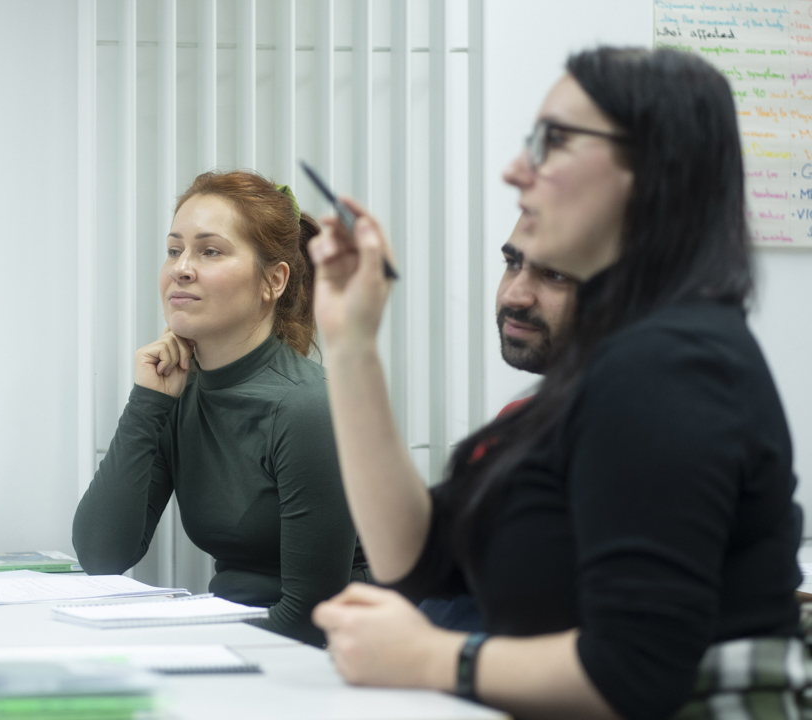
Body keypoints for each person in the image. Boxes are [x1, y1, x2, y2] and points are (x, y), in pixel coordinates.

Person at [307, 46, 804, 719]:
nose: (517, 171)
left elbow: (634, 670)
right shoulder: (595, 373)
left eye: (554, 143)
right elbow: (415, 555)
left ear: (656, 168)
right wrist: (350, 340)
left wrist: (429, 657)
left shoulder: (671, 367)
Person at [72, 170, 367, 647]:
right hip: (239, 639)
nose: (181, 269)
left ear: (273, 281)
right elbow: (101, 555)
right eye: (174, 249)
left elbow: (312, 618)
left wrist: (178, 646)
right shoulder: (179, 390)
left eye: (210, 251)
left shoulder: (310, 407)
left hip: (322, 661)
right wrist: (147, 403)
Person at [420, 220, 577, 632]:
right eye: (512, 263)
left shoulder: (639, 430)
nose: (513, 294)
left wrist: (429, 657)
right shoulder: (520, 417)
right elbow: (426, 561)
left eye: (555, 274)